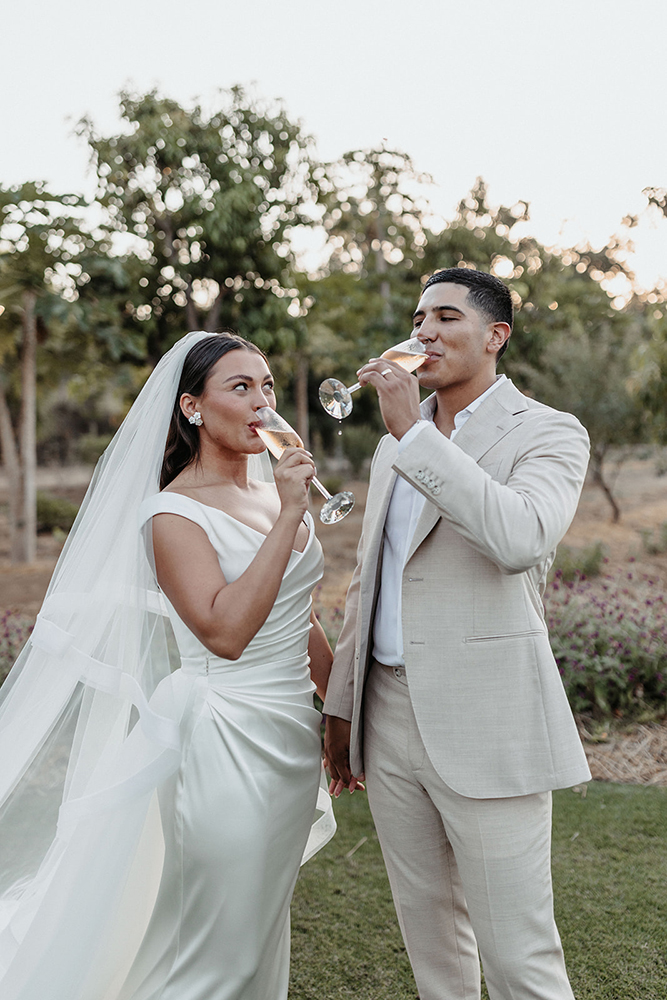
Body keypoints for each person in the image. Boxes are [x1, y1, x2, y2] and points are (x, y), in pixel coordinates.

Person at [0, 331, 335, 1000]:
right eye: (239, 389)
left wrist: (341, 714)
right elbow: (224, 631)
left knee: (254, 930)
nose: (262, 405)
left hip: (290, 740)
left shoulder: (274, 492)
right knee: (216, 943)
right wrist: (292, 512)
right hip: (222, 738)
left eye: (266, 387)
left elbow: (300, 618)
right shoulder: (172, 512)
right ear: (191, 408)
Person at [323, 268, 591, 1000]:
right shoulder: (389, 450)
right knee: (431, 943)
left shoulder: (548, 432)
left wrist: (414, 433)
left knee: (517, 955)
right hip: (390, 716)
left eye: (445, 317)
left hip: (486, 718)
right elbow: (370, 580)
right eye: (417, 318)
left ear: (494, 336)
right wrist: (342, 705)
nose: (423, 332)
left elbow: (519, 538)